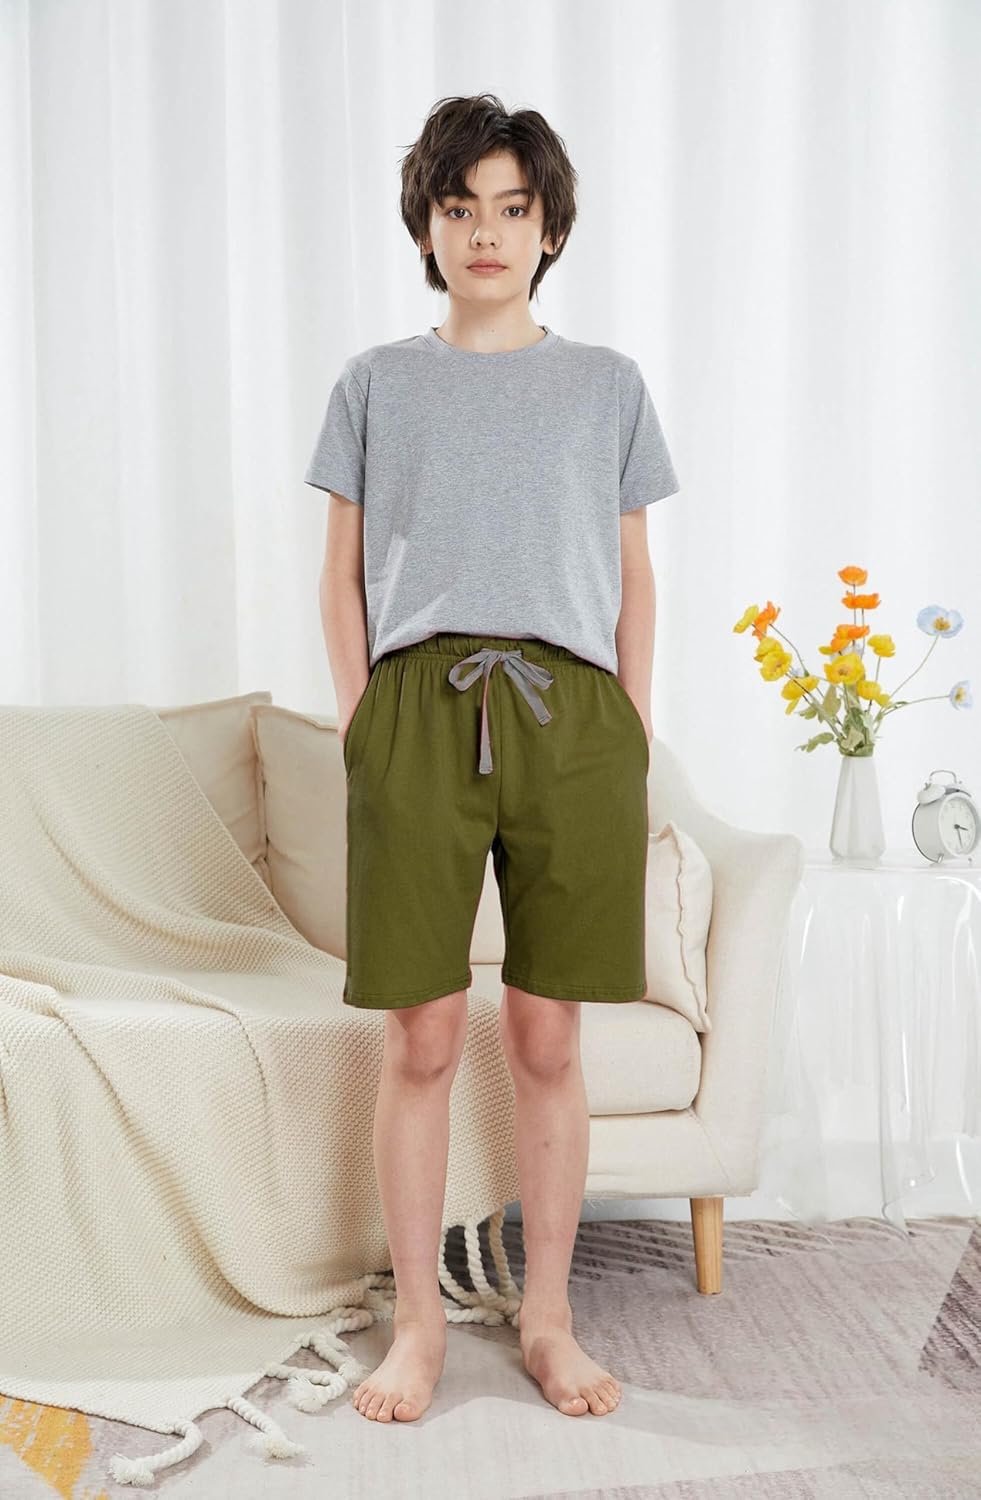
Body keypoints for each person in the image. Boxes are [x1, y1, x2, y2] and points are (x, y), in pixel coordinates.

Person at [304, 93, 680, 1426]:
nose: (485, 232)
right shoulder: (375, 382)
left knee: (545, 1030)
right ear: (426, 225)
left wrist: (630, 722)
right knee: (419, 1034)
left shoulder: (608, 384)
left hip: (572, 717)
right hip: (417, 708)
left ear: (548, 229)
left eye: (512, 209)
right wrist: (361, 716)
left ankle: (548, 1318)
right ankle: (416, 1326)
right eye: (459, 207)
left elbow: (635, 572)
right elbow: (341, 571)